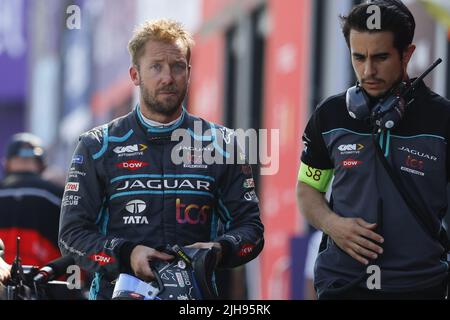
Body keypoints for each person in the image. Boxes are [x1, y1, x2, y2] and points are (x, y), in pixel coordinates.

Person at [58, 19, 264, 300]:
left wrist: (220, 250)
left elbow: (251, 230)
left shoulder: (223, 144)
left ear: (189, 73)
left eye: (177, 66)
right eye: (156, 67)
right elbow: (71, 236)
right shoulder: (97, 145)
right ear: (135, 75)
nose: (168, 77)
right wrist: (127, 254)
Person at [296, 0, 450, 300]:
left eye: (380, 57)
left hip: (420, 287)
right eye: (358, 57)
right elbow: (307, 188)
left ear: (407, 55)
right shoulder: (329, 116)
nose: (368, 70)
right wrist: (332, 224)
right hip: (342, 285)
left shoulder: (442, 120)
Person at [0, 133, 62, 267]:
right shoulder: (58, 195)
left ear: (7, 163)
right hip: (46, 280)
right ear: (42, 163)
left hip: (2, 279)